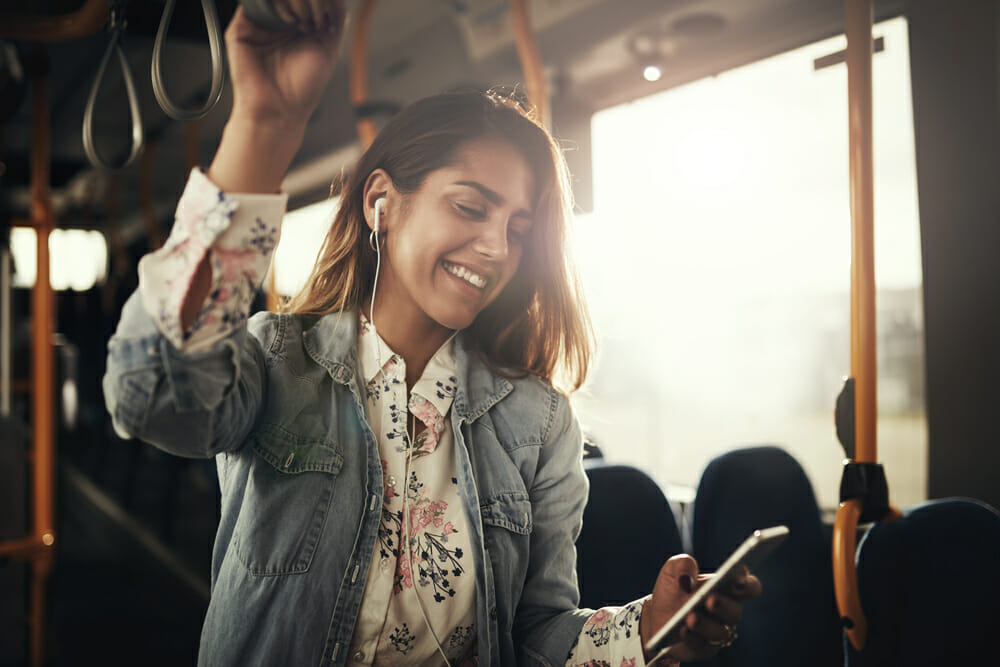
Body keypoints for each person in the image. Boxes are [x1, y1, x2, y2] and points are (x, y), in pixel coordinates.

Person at [103, 2, 761, 665]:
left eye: (518, 230)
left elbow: (535, 635)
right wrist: (264, 127)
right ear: (380, 203)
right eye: (470, 206)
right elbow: (148, 394)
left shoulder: (538, 421)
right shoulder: (279, 359)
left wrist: (644, 630)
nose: (497, 246)